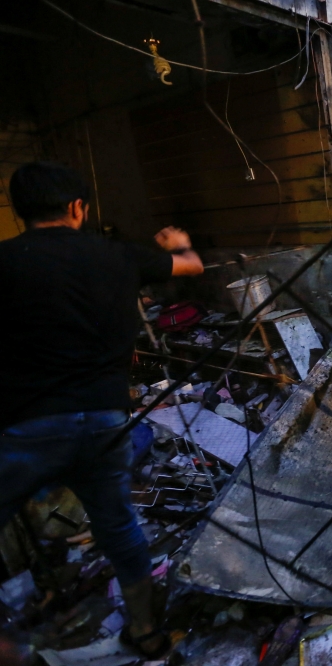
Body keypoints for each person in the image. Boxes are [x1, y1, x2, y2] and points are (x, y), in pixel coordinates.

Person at [0, 162, 205, 658]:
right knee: (117, 524)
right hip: (104, 420)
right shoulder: (116, 256)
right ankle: (146, 630)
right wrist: (176, 242)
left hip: (27, 425)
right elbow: (191, 265)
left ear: (20, 212)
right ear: (77, 208)